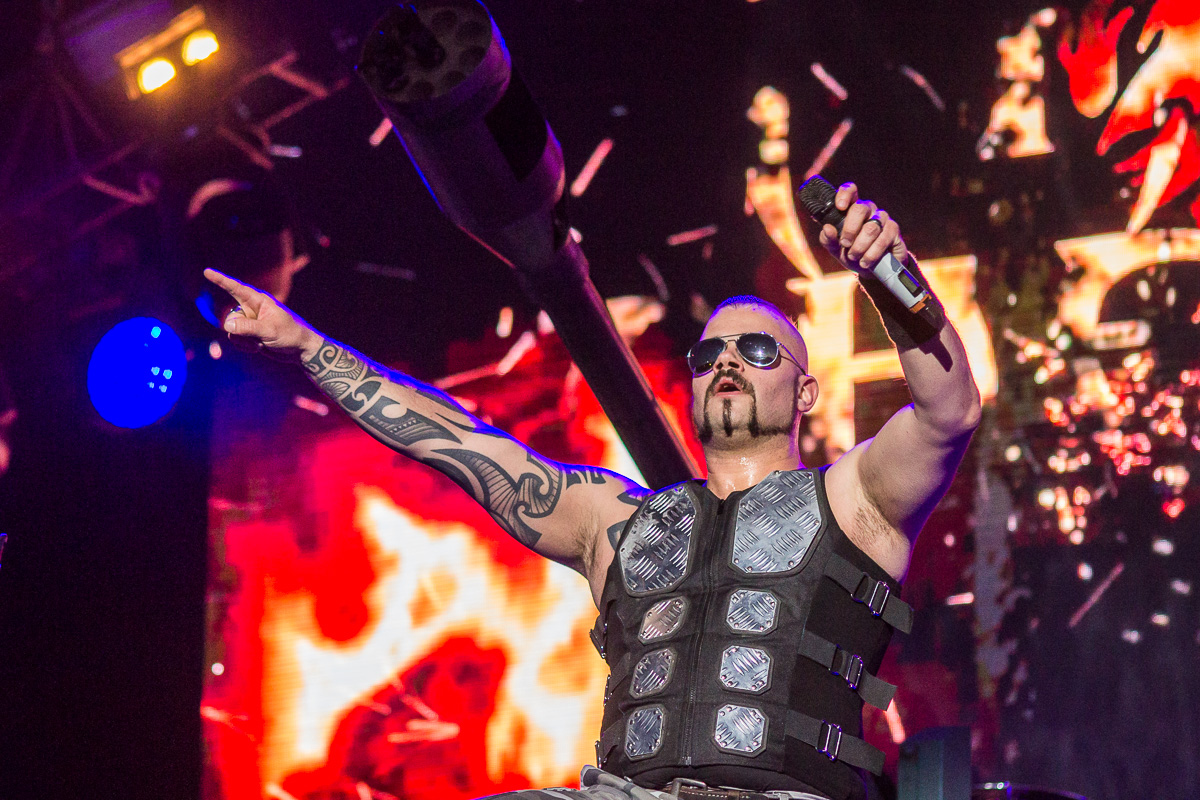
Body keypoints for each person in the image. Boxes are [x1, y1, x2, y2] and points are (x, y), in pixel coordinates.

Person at [205, 183, 981, 800]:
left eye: (755, 350)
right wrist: (308, 346)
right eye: (708, 354)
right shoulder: (616, 523)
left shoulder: (853, 500)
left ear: (806, 392)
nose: (726, 362)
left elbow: (950, 411)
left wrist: (889, 275)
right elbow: (457, 441)